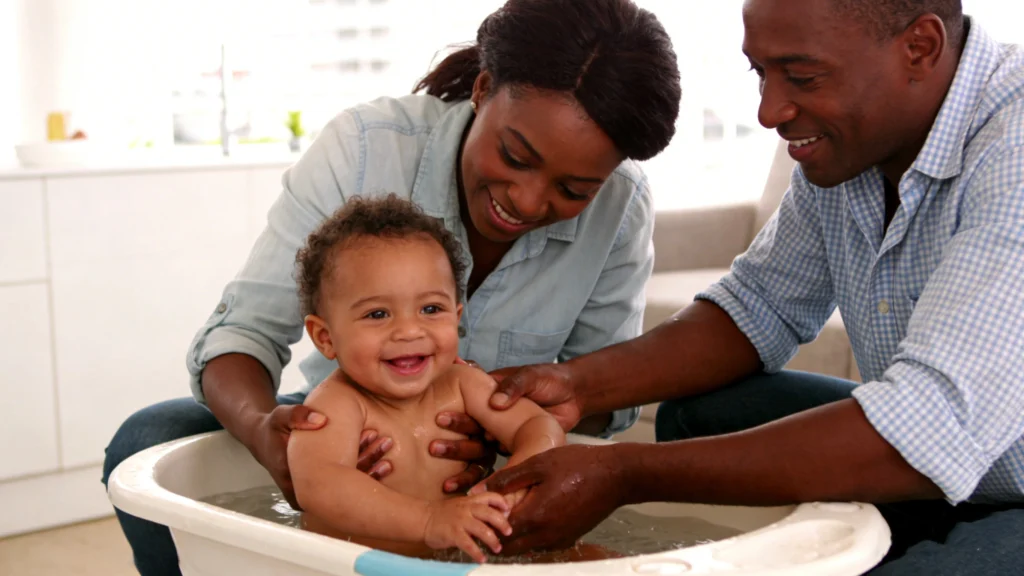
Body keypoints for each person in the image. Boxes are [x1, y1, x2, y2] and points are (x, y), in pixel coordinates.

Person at [100, 0, 681, 574]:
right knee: (150, 436)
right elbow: (244, 333)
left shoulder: (620, 207)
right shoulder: (364, 148)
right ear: (482, 89)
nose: (528, 202)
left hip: (475, 515)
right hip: (360, 486)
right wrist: (268, 436)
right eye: (514, 155)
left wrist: (512, 469)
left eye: (574, 190)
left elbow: (587, 411)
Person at [469, 0, 1024, 573]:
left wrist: (623, 474)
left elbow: (927, 423)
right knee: (702, 414)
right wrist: (576, 385)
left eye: (803, 77)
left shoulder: (1013, 149)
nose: (769, 111)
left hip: (1006, 480)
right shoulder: (851, 148)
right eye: (761, 73)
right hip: (951, 470)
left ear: (921, 48)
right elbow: (756, 309)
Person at [286, 195, 565, 563]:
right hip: (358, 567)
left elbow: (540, 425)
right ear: (325, 337)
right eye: (378, 313)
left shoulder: (462, 384)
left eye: (431, 309)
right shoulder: (336, 405)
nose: (409, 330)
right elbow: (318, 485)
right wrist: (429, 520)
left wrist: (513, 480)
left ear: (456, 315)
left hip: (457, 560)